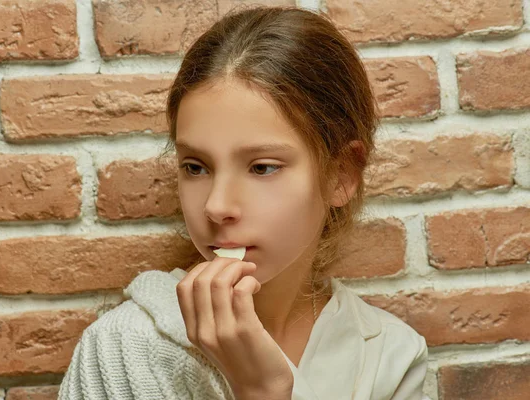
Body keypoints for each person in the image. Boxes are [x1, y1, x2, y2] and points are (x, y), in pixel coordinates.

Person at [58, 5, 428, 400]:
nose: (216, 206)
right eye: (196, 167)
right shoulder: (120, 347)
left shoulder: (390, 356)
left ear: (341, 176)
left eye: (262, 168)